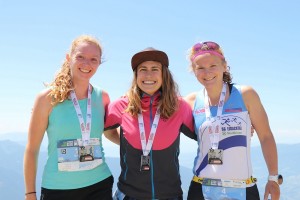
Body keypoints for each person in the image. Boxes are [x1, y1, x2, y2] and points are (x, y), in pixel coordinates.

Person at [184, 41, 282, 200]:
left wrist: (273, 178)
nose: (207, 72)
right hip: (201, 188)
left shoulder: (246, 94)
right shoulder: (190, 101)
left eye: (213, 65)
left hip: (242, 189)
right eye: (200, 67)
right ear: (194, 71)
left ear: (224, 66)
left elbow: (266, 136)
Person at [23, 35, 114, 200]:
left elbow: (110, 134)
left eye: (93, 59)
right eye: (80, 57)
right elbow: (32, 149)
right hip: (58, 189)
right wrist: (30, 193)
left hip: (99, 185)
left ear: (99, 63)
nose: (87, 64)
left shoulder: (103, 97)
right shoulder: (47, 99)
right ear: (68, 58)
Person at [104, 47, 197, 200]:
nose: (148, 74)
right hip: (128, 195)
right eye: (143, 69)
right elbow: (108, 132)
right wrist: (128, 143)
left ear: (163, 74)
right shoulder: (120, 105)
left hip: (170, 195)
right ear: (136, 75)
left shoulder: (179, 107)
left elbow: (204, 135)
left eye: (155, 69)